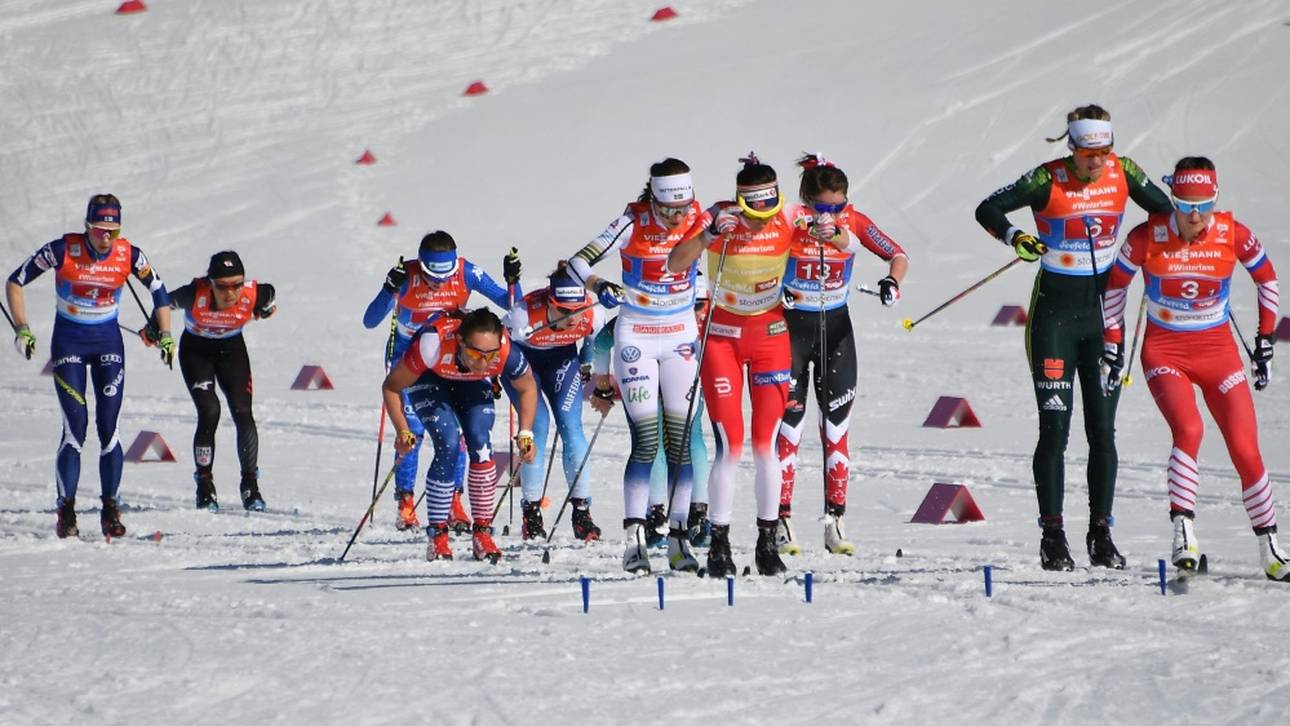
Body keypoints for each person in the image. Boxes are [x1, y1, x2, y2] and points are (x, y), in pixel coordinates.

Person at [974, 104, 1173, 570]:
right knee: (1055, 431)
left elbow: (1166, 214)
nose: (1096, 162)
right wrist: (1015, 237)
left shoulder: (1124, 172)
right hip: (1054, 320)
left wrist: (1141, 247)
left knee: (1102, 430)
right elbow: (987, 208)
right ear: (1072, 147)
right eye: (1087, 154)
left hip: (1104, 317)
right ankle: (1053, 536)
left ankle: (1101, 535)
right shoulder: (1047, 178)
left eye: (1103, 152)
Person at [1101, 157, 1287, 581]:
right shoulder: (1146, 236)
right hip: (1165, 352)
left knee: (1245, 447)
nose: (1196, 216)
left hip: (1218, 353)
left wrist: (1265, 339)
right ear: (1173, 201)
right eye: (1186, 206)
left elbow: (1267, 278)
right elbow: (1115, 287)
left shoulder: (1232, 233)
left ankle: (1271, 549)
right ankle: (1183, 533)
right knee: (1189, 429)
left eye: (1204, 205)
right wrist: (1113, 345)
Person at [567, 157, 709, 574]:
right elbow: (577, 262)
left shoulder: (699, 218)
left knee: (681, 443)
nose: (677, 218)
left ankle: (679, 540)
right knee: (647, 442)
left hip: (681, 339)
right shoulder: (632, 221)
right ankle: (635, 541)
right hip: (637, 340)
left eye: (683, 208)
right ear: (654, 200)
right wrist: (598, 285)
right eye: (669, 210)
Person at [666, 153, 804, 578]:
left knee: (766, 446)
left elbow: (842, 240)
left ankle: (766, 544)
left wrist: (831, 232)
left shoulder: (789, 216)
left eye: (768, 213)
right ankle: (719, 545)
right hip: (722, 340)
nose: (761, 223)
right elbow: (675, 262)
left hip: (771, 337)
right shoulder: (718, 215)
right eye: (753, 215)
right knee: (731, 446)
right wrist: (708, 235)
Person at [5, 194, 172, 538]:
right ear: (87, 227)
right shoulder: (63, 250)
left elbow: (159, 290)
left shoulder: (129, 254)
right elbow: (15, 280)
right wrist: (22, 327)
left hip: (108, 344)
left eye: (113, 231)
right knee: (75, 428)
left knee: (109, 427)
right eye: (99, 230)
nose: (106, 238)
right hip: (69, 344)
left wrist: (166, 333)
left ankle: (110, 509)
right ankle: (66, 509)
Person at [775, 153, 909, 556]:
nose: (830, 215)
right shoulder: (790, 217)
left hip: (836, 331)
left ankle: (835, 520)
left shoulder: (853, 222)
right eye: (822, 207)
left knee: (835, 429)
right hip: (791, 331)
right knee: (789, 429)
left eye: (838, 206)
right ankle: (781, 521)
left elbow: (898, 254)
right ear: (806, 200)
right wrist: (773, 288)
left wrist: (892, 282)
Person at [363, 231, 519, 533]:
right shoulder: (407, 276)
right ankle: (405, 501)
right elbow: (370, 321)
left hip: (448, 357)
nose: (438, 283)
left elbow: (512, 304)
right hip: (409, 357)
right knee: (412, 430)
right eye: (432, 277)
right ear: (421, 266)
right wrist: (388, 289)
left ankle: (453, 501)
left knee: (455, 432)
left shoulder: (466, 272)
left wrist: (514, 280)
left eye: (445, 277)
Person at [382, 308, 538, 562]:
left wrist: (526, 433)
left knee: (481, 443)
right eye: (476, 353)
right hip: (430, 378)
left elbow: (528, 386)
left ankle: (482, 534)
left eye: (491, 355)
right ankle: (438, 536)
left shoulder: (505, 350)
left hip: (472, 382)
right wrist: (402, 430)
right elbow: (391, 386)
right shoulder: (432, 343)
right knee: (448, 443)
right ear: (460, 341)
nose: (484, 362)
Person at [589, 271, 713, 547]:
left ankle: (697, 512)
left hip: (683, 378)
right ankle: (657, 512)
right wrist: (602, 383)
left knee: (689, 437)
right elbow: (601, 344)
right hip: (644, 377)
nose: (694, 312)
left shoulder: (707, 321)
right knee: (651, 440)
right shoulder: (647, 314)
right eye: (691, 304)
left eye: (699, 305)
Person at [502, 262, 606, 541]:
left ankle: (582, 512)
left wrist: (586, 362)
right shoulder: (522, 315)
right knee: (538, 427)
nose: (573, 318)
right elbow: (496, 347)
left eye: (578, 309)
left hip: (561, 361)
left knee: (571, 427)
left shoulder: (593, 313)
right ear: (550, 302)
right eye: (563, 310)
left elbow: (594, 340)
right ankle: (531, 512)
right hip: (523, 365)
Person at [167, 251, 277, 512]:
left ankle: (250, 485)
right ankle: (205, 485)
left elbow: (270, 293)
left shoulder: (252, 294)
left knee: (243, 411)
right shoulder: (193, 294)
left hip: (231, 351)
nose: (231, 293)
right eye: (222, 287)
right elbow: (162, 302)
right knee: (210, 411)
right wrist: (156, 330)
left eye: (237, 285)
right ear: (210, 283)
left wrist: (263, 308)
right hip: (196, 352)